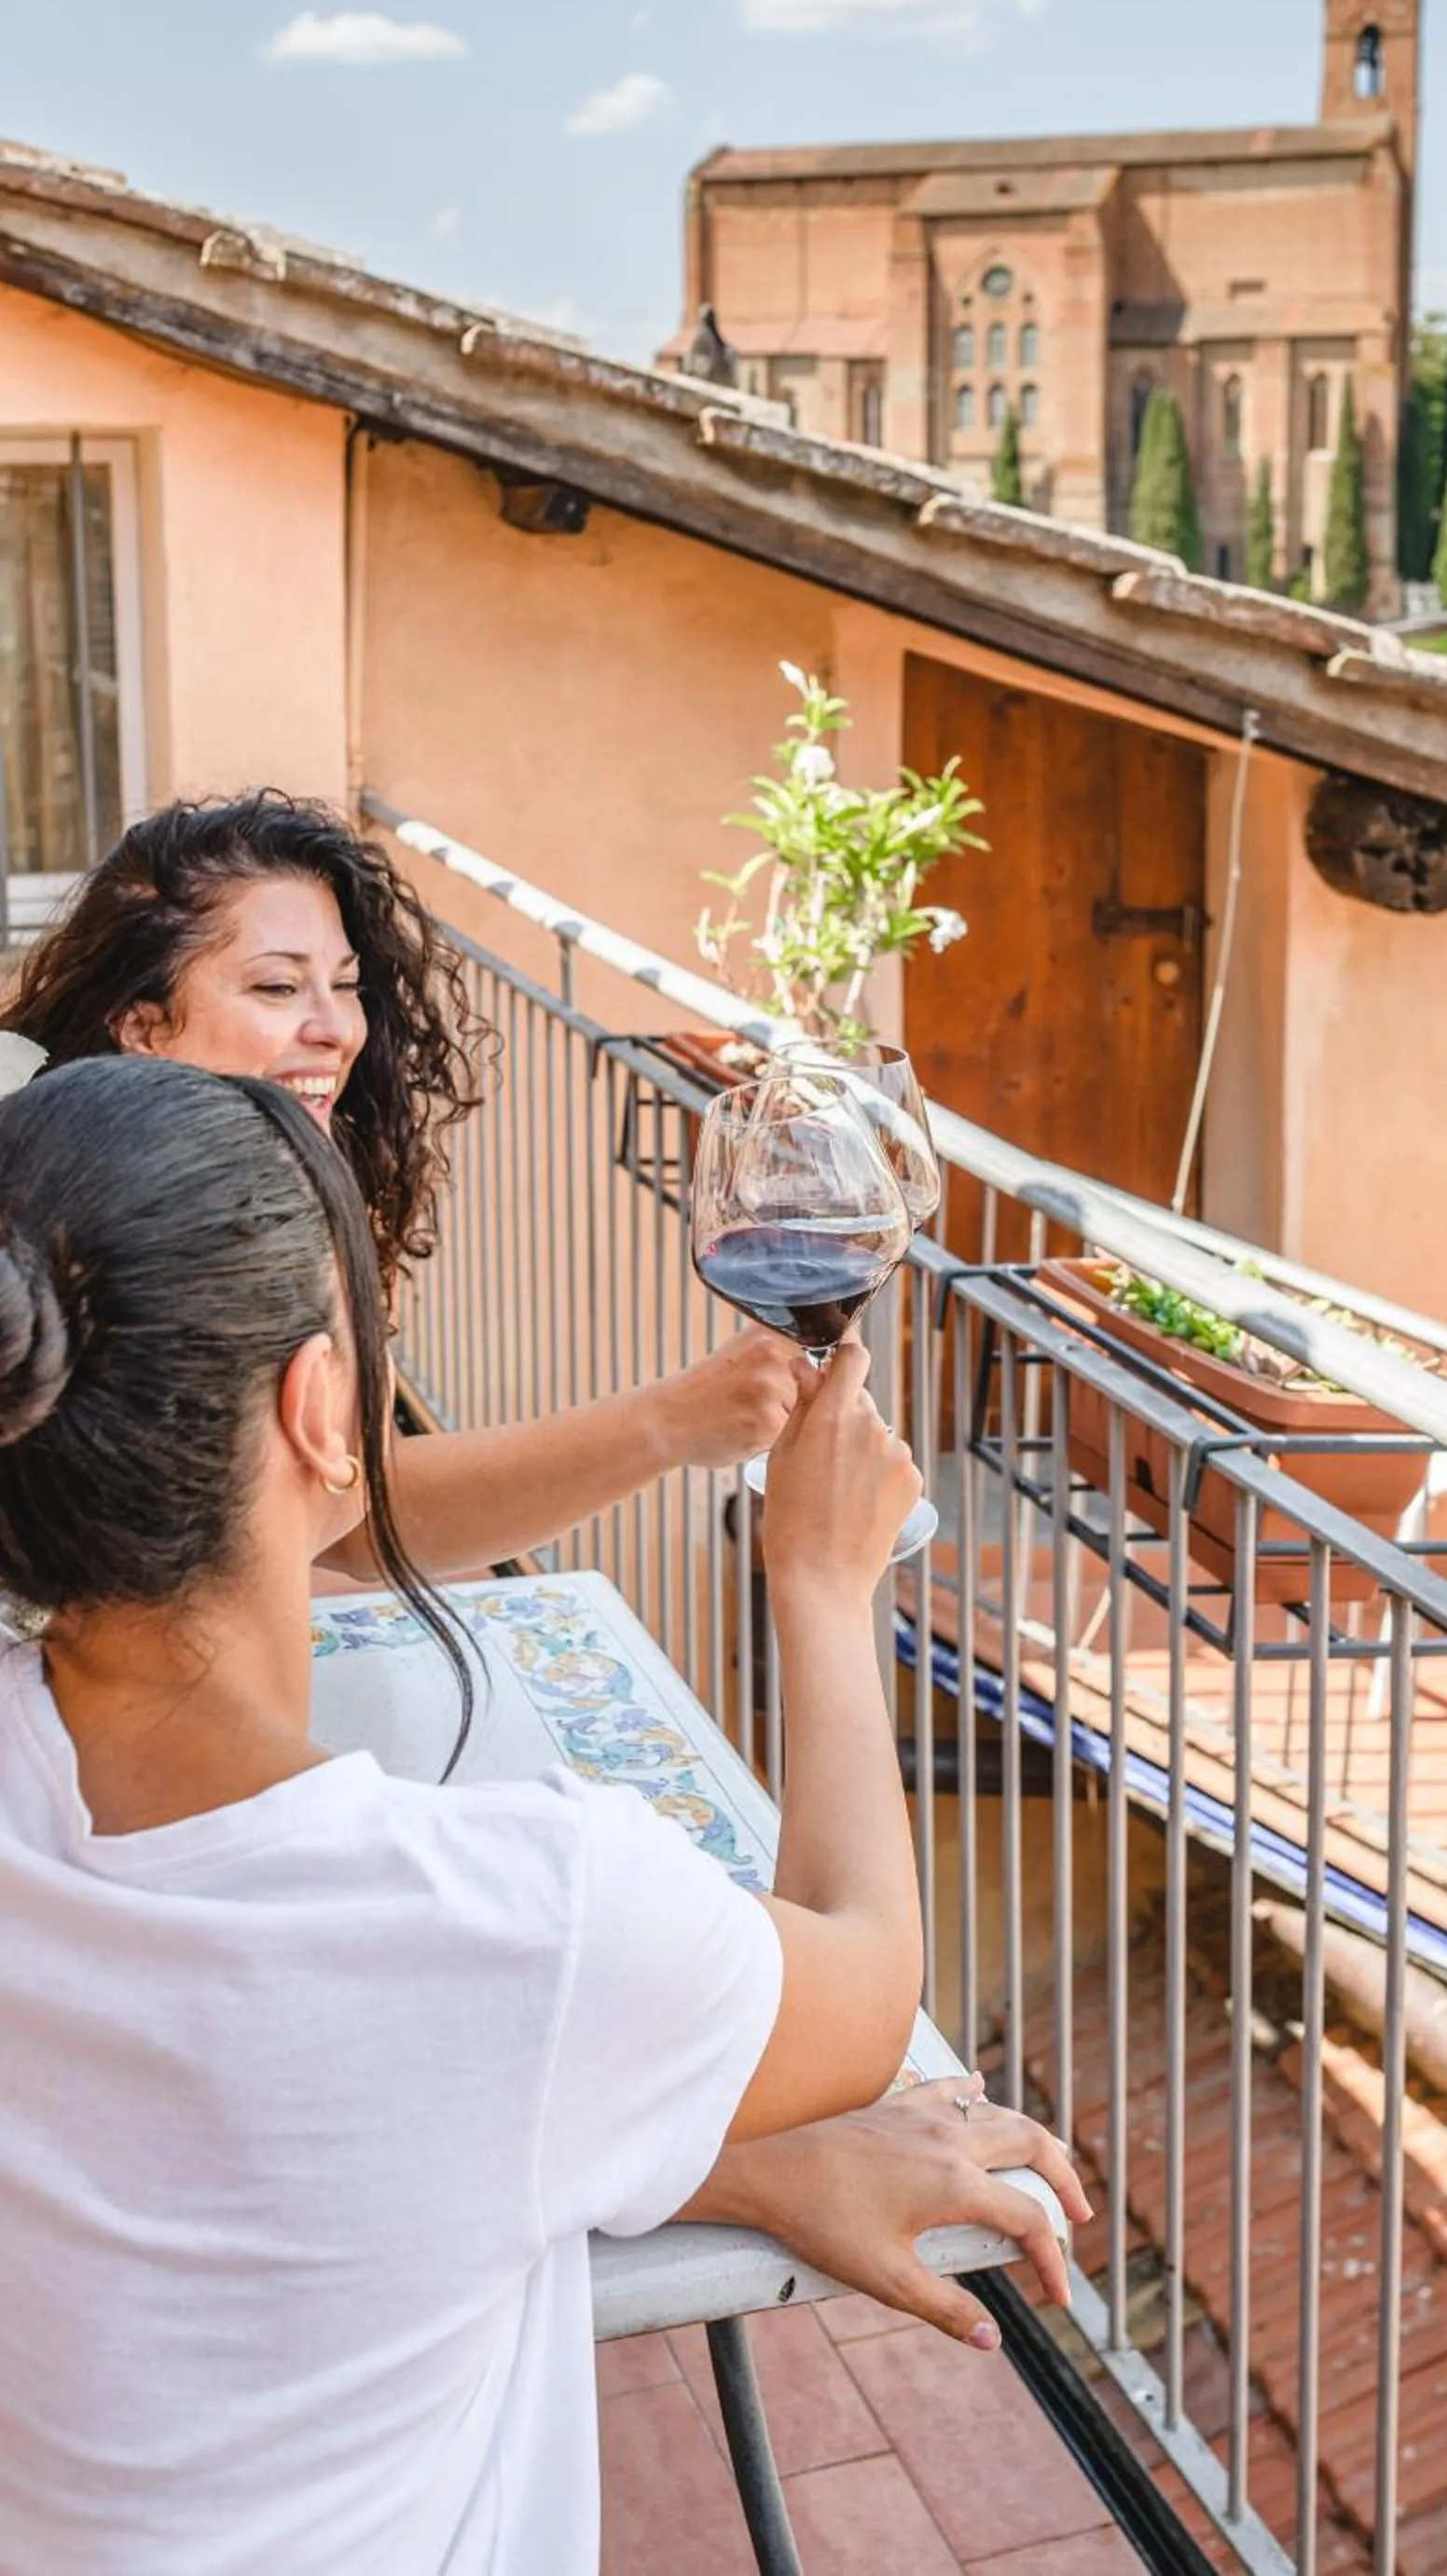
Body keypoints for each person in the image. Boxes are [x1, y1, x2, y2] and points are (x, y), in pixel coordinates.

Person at [0, 1055, 1084, 2574]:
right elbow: (866, 1979)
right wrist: (825, 1588)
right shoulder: (519, 1927)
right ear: (323, 1409)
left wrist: (703, 2155)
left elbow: (244, 2152)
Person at [1, 791, 805, 1583]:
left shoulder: (256, 1189)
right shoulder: (92, 1231)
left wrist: (677, 1423)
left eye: (345, 985)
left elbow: (348, 1508)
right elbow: (351, 1515)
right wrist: (671, 1424)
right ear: (143, 1026)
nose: (339, 1029)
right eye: (278, 987)